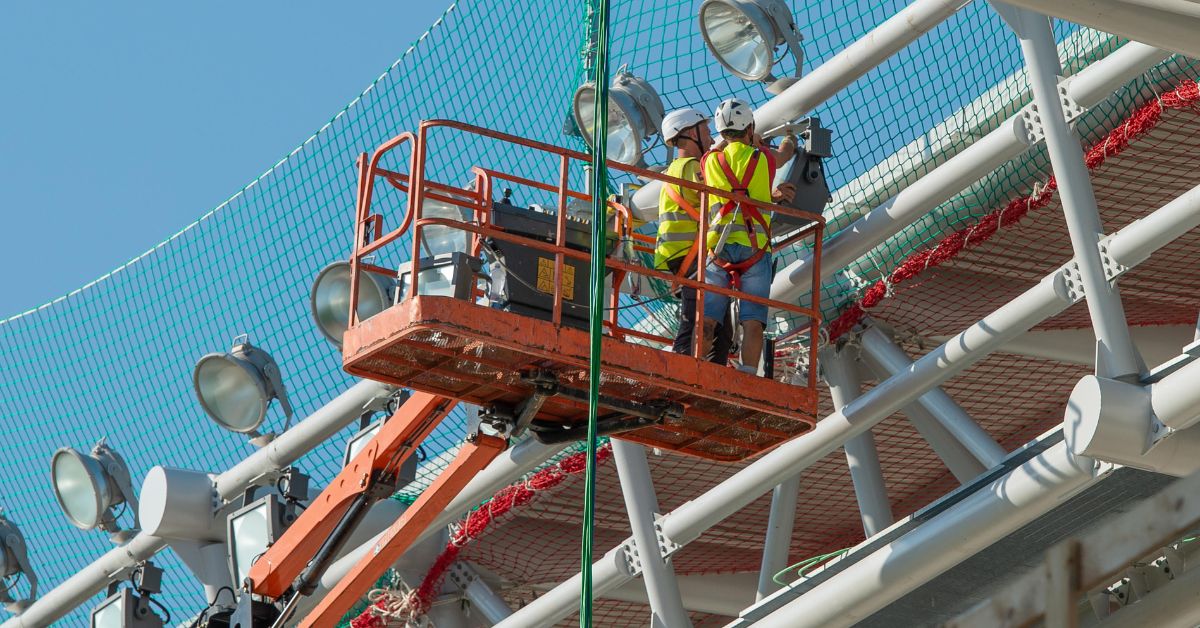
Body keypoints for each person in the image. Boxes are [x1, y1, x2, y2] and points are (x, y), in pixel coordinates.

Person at [700, 98, 796, 374]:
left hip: (718, 249)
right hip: (754, 251)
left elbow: (721, 150)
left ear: (720, 132)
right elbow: (783, 155)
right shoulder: (764, 158)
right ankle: (748, 374)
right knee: (753, 321)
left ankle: (696, 366)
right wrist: (788, 138)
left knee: (707, 320)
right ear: (750, 127)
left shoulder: (710, 161)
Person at [655, 108, 734, 363]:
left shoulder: (675, 169)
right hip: (692, 255)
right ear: (691, 133)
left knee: (713, 322)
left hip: (680, 255)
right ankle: (685, 372)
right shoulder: (690, 167)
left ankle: (699, 372)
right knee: (702, 321)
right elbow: (720, 194)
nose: (710, 137)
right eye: (706, 130)